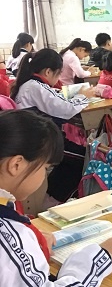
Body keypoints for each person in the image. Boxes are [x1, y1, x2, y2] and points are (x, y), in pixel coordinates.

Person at [0, 109, 112, 287]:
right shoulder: (8, 234)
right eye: (45, 168)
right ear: (16, 165)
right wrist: (99, 257)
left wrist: (31, 242)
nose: (44, 176)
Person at [12, 49, 95, 203]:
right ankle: (56, 199)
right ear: (48, 72)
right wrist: (84, 96)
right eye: (58, 74)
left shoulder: (31, 84)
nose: (58, 78)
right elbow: (66, 108)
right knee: (85, 158)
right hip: (40, 142)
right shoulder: (35, 86)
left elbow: (55, 100)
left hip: (38, 137)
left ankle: (54, 197)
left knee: (77, 156)